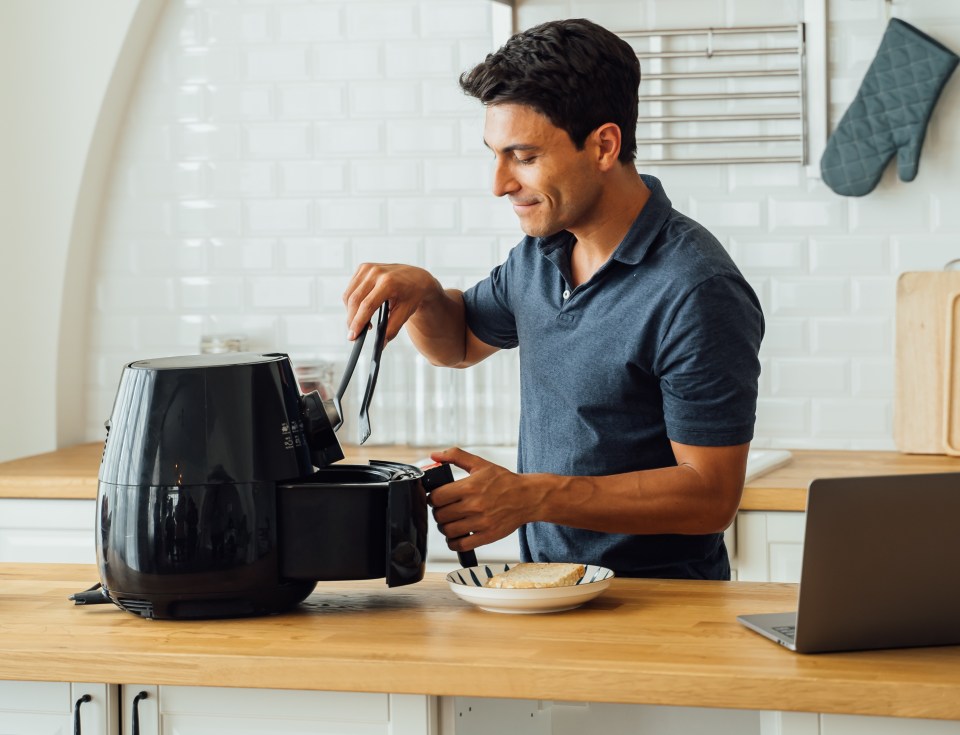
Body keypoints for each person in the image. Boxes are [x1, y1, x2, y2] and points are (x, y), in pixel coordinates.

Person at [342, 18, 764, 580]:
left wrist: (534, 496)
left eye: (523, 156)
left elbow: (710, 496)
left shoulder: (696, 290)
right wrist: (423, 294)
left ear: (604, 146)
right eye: (495, 154)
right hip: (549, 591)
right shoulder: (540, 253)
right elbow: (459, 344)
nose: (499, 183)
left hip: (658, 607)